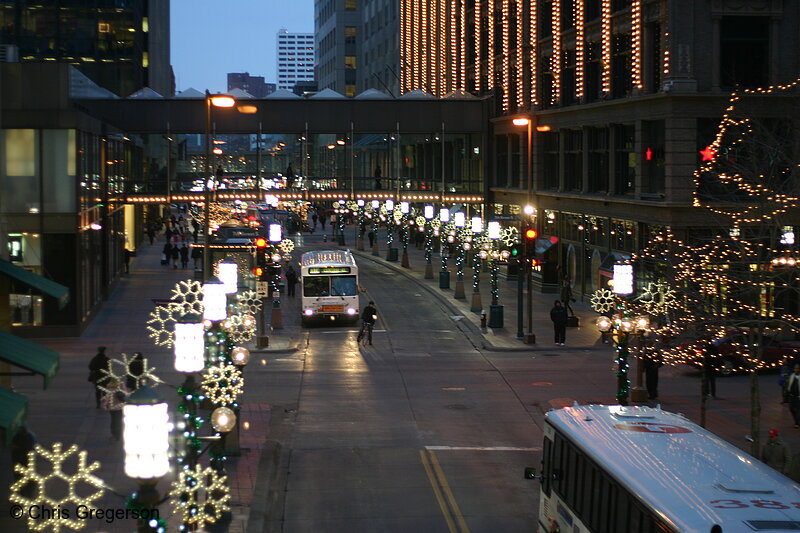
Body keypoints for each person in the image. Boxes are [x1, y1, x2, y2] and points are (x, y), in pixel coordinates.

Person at [10, 424, 37, 497]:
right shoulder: (28, 436)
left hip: (24, 460)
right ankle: (24, 492)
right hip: (21, 460)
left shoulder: (28, 437)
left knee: (24, 476)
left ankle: (26, 492)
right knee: (21, 476)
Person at [787, 364, 800, 428]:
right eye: (795, 368)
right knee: (791, 409)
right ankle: (797, 421)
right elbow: (789, 385)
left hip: (798, 397)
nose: (796, 370)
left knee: (798, 410)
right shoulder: (792, 376)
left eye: (797, 368)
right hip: (792, 396)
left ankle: (797, 423)